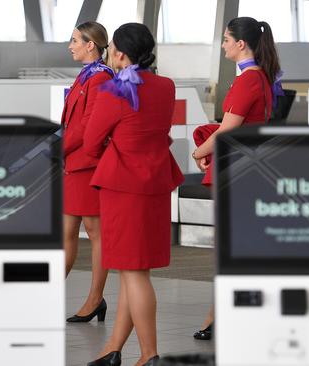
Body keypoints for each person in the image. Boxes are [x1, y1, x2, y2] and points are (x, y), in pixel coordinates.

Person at [83, 23, 183, 366]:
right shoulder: (166, 86)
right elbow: (160, 129)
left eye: (111, 47)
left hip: (123, 187)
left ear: (120, 53)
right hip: (155, 183)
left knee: (134, 272)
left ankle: (149, 354)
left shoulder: (113, 91)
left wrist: (112, 150)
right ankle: (113, 349)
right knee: (135, 270)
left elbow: (91, 142)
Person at [191, 17, 282, 341]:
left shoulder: (248, 81)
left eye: (227, 39)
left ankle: (222, 318)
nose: (224, 44)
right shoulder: (259, 79)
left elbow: (228, 129)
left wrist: (199, 150)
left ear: (241, 44)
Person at [62, 21, 114, 323]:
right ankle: (43, 295)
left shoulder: (100, 78)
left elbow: (88, 126)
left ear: (90, 45)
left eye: (74, 41)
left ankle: (95, 299)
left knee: (95, 233)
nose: (70, 46)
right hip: (73, 164)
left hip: (88, 165)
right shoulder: (86, 76)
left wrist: (57, 149)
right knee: (66, 233)